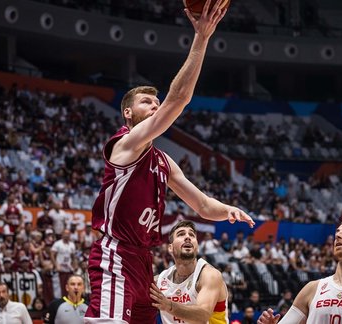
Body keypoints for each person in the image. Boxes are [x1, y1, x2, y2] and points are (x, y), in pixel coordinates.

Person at [86, 1, 254, 323]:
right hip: (115, 254)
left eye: (156, 100)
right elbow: (178, 100)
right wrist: (202, 37)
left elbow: (203, 206)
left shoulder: (163, 161)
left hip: (143, 261)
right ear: (127, 112)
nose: (155, 104)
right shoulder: (125, 144)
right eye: (146, 101)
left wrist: (228, 210)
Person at [150, 221, 228, 323]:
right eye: (181, 234)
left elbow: (203, 316)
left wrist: (169, 305)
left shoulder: (209, 275)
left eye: (191, 235)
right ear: (170, 248)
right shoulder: (160, 280)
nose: (188, 237)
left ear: (197, 248)